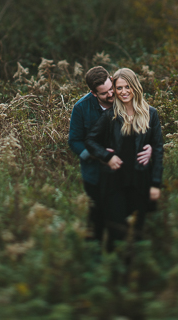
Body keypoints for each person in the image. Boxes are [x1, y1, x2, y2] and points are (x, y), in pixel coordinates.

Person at [68, 66, 151, 242]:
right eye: (104, 93)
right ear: (93, 93)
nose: (111, 95)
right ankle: (96, 256)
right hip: (95, 175)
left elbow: (146, 128)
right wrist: (97, 155)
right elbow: (74, 141)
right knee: (97, 218)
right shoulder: (81, 108)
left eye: (111, 88)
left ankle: (124, 253)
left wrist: (149, 146)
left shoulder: (126, 99)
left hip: (125, 173)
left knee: (124, 219)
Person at [85, 68, 164, 250]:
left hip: (140, 181)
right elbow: (90, 140)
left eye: (127, 87)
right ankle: (114, 271)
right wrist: (107, 156)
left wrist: (155, 184)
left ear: (135, 86)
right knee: (117, 233)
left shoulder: (151, 114)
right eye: (119, 88)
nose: (123, 92)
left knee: (137, 233)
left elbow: (158, 149)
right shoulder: (110, 115)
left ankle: (133, 272)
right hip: (114, 183)